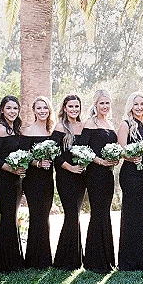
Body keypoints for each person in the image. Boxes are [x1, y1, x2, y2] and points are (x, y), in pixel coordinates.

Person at [78, 90, 119, 273]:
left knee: (105, 213)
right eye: (101, 103)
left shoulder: (110, 124)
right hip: (94, 174)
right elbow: (82, 149)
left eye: (107, 103)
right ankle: (94, 261)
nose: (105, 106)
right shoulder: (90, 123)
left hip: (108, 175)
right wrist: (100, 161)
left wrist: (114, 159)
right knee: (97, 213)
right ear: (95, 104)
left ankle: (107, 258)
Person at [0, 95, 25, 273]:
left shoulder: (15, 128)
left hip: (16, 180)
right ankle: (2, 263)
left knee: (12, 217)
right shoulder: (0, 128)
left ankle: (14, 259)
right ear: (2, 110)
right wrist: (10, 169)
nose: (12, 111)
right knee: (8, 217)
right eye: (9, 108)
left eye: (15, 108)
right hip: (4, 179)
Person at [117, 92, 143, 271]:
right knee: (130, 215)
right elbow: (121, 150)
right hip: (130, 175)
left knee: (142, 216)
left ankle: (142, 260)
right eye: (136, 104)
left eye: (142, 104)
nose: (139, 107)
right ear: (131, 106)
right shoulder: (125, 124)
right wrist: (132, 158)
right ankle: (127, 261)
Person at [20, 96, 55, 269]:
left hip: (48, 180)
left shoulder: (52, 131)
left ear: (49, 110)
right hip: (33, 180)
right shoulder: (28, 131)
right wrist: (37, 163)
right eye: (39, 108)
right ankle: (33, 259)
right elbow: (23, 155)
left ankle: (45, 258)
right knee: (36, 215)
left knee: (45, 216)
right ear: (34, 110)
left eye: (45, 108)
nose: (42, 111)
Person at [53, 95, 86, 270]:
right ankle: (65, 260)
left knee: (76, 215)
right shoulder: (60, 127)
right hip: (65, 177)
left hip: (81, 178)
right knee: (71, 214)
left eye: (76, 106)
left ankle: (76, 257)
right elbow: (54, 154)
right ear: (65, 108)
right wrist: (70, 168)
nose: (74, 109)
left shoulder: (84, 126)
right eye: (71, 106)